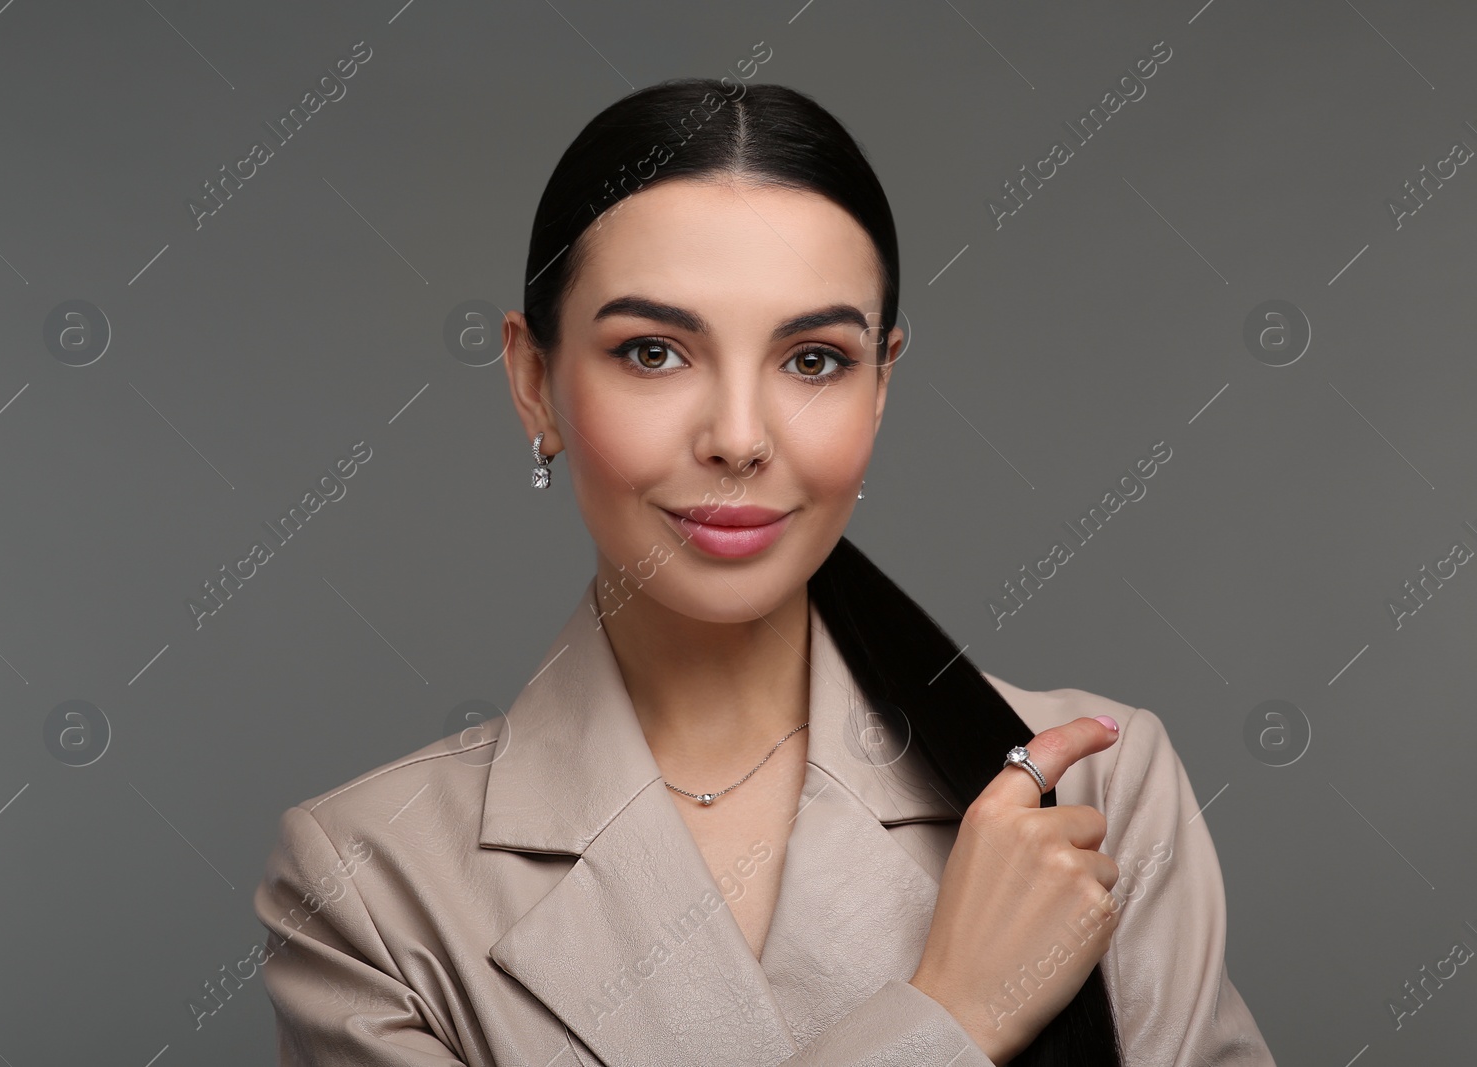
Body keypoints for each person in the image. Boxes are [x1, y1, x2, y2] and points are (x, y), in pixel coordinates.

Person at [252, 77, 1278, 1066]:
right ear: (534, 383)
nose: (739, 438)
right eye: (653, 351)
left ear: (880, 387)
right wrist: (951, 1017)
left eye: (814, 359)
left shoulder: (1096, 788)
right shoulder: (367, 882)